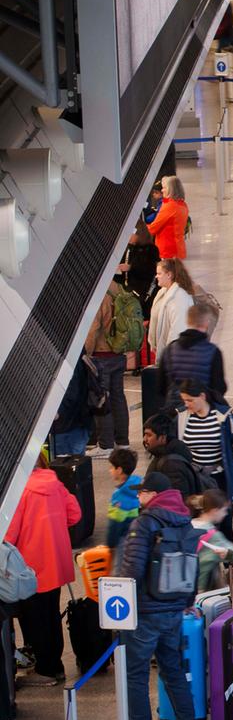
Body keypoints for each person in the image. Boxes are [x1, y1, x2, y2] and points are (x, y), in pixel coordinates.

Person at [113, 471, 202, 720]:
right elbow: (192, 566)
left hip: (146, 611)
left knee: (135, 673)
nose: (138, 496)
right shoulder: (186, 521)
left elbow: (133, 569)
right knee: (173, 669)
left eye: (142, 492)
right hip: (174, 608)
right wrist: (187, 601)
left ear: (154, 495)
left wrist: (123, 604)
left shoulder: (146, 523)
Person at [5, 453, 79, 686]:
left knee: (33, 620)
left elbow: (8, 535)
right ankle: (55, 667)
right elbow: (75, 514)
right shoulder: (55, 483)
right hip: (56, 562)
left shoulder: (21, 490)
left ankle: (45, 671)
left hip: (31, 566)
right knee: (50, 616)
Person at [84, 276, 143, 454]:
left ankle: (106, 445)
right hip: (119, 353)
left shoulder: (99, 292)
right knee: (118, 398)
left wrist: (86, 353)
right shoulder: (118, 287)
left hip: (101, 355)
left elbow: (94, 327)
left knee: (103, 399)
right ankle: (122, 442)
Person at [175, 379, 233, 507]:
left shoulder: (223, 416)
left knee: (223, 517)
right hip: (196, 479)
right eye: (184, 400)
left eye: (190, 400)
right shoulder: (182, 417)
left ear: (202, 396)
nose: (186, 404)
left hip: (220, 478)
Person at [105, 447, 142, 550]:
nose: (110, 470)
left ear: (119, 470)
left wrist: (110, 544)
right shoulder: (139, 484)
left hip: (124, 541)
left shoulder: (120, 496)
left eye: (112, 467)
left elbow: (115, 523)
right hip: (139, 537)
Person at [147, 176, 190, 261]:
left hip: (167, 250)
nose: (162, 190)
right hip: (178, 249)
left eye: (164, 188)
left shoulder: (170, 206)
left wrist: (139, 228)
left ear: (171, 189)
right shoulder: (183, 205)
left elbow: (153, 228)